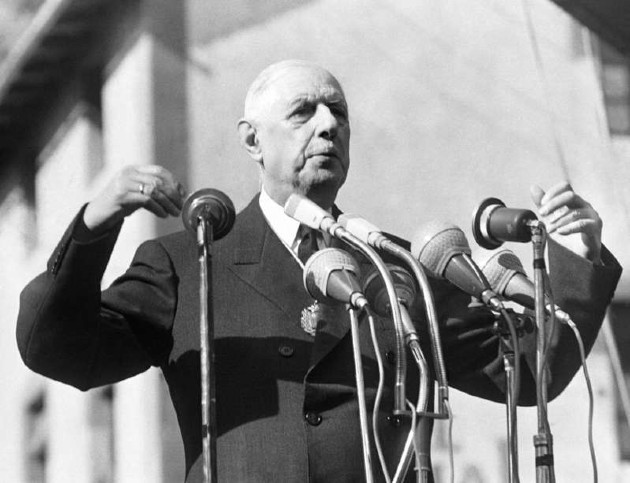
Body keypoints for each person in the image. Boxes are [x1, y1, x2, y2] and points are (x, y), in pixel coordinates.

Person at [16, 60, 621, 482]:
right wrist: (96, 223)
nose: (328, 124)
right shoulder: (191, 261)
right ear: (252, 141)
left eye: (338, 112)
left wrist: (579, 257)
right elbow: (59, 349)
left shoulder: (396, 269)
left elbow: (526, 371)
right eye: (303, 112)